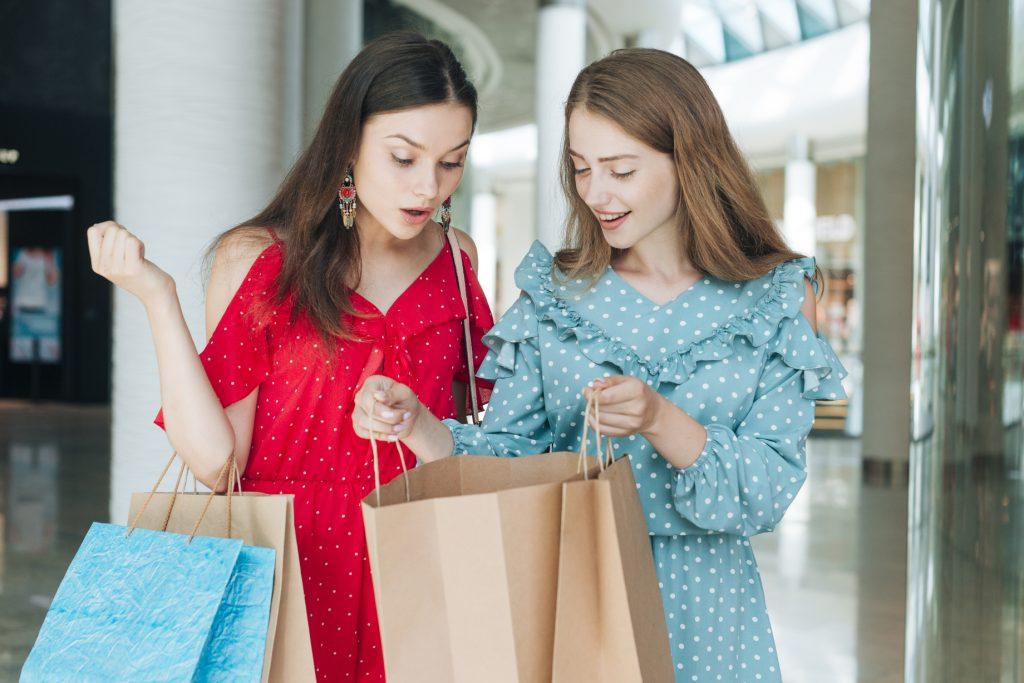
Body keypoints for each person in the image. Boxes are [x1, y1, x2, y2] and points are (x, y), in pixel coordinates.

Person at [353, 48, 847, 681]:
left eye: (620, 170)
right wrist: (418, 423)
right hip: (571, 598)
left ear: (688, 159)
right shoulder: (555, 296)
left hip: (710, 614)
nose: (596, 194)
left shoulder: (775, 297)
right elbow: (510, 460)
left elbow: (768, 490)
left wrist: (660, 418)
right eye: (582, 169)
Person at [87, 32, 493, 681]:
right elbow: (220, 464)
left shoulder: (457, 257)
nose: (429, 186)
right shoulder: (262, 256)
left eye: (452, 161)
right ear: (349, 143)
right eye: (404, 157)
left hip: (422, 563)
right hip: (289, 566)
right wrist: (157, 298)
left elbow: (490, 440)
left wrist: (417, 422)